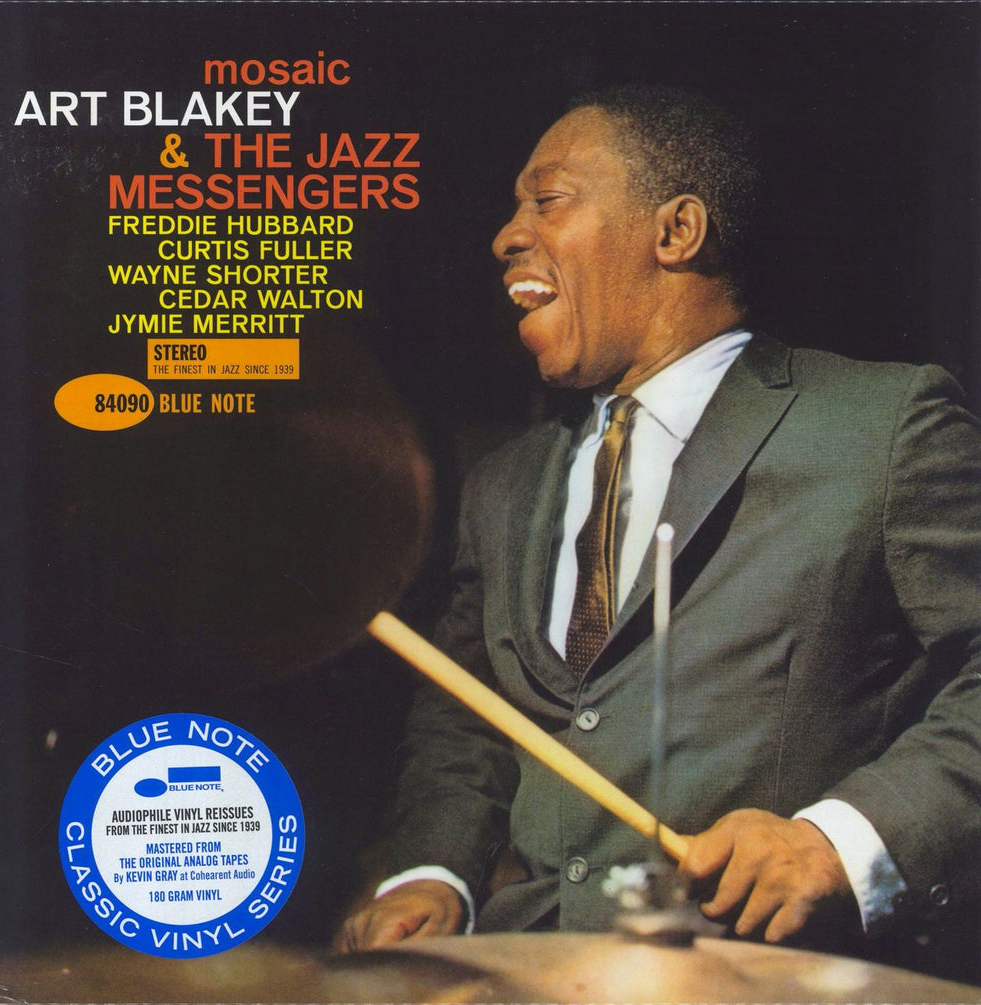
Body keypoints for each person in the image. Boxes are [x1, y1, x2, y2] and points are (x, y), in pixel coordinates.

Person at [339, 86, 980, 979]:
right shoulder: (504, 484)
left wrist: (842, 842)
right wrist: (431, 870)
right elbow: (467, 720)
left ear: (676, 232)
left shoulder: (882, 424)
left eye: (546, 199)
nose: (506, 236)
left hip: (775, 979)